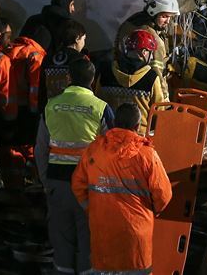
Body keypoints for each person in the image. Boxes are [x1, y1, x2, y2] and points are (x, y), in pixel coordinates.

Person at [70, 103, 172, 275]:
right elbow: (163, 195)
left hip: (102, 236)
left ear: (114, 122)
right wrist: (151, 212)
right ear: (137, 126)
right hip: (136, 241)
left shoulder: (94, 150)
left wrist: (91, 209)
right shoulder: (147, 155)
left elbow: (78, 185)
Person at [35, 57, 113, 275]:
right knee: (89, 241)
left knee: (61, 242)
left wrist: (45, 182)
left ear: (68, 78)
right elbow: (114, 151)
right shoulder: (101, 108)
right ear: (93, 79)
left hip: (57, 184)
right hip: (90, 187)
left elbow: (40, 150)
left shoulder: (51, 106)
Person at [96, 29, 167, 133]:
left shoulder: (106, 71)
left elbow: (97, 101)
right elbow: (159, 111)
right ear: (144, 52)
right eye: (150, 53)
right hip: (138, 138)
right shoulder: (151, 77)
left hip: (109, 135)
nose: (151, 57)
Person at [115, 0, 179, 82]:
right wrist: (164, 95)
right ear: (153, 12)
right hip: (144, 85)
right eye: (164, 16)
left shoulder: (135, 19)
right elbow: (157, 75)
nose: (168, 21)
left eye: (170, 17)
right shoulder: (151, 37)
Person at [40, 19, 90, 105]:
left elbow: (42, 86)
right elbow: (85, 88)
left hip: (50, 107)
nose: (84, 43)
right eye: (83, 39)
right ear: (77, 38)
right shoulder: (81, 59)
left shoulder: (48, 57)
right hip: (71, 107)